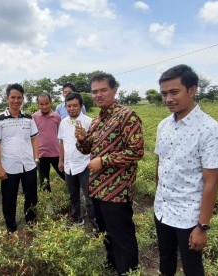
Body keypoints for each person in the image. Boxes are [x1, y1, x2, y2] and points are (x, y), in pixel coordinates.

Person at [154, 64, 218, 275]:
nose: (168, 99)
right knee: (165, 259)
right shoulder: (163, 125)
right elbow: (161, 163)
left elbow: (211, 181)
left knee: (192, 267)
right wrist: (159, 199)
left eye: (174, 92)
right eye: (164, 93)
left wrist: (202, 226)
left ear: (192, 90)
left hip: (189, 217)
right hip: (162, 210)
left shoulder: (210, 130)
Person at [76, 73, 144, 275]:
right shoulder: (97, 121)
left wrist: (104, 161)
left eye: (103, 90)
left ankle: (128, 270)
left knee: (121, 234)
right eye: (94, 91)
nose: (98, 95)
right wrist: (82, 139)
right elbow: (88, 149)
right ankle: (113, 264)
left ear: (114, 90)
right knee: (105, 232)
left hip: (117, 190)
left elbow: (136, 151)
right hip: (97, 188)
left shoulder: (127, 116)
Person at [0, 83, 39, 232]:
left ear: (23, 99)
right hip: (9, 167)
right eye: (13, 97)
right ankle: (11, 227)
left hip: (29, 165)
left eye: (19, 97)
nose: (16, 100)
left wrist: (36, 159)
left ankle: (31, 222)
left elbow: (35, 138)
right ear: (7, 99)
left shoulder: (29, 118)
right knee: (9, 198)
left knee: (32, 196)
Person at [58, 92, 96, 228]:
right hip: (69, 165)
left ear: (81, 106)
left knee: (89, 196)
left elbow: (93, 145)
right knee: (73, 195)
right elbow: (62, 142)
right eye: (69, 106)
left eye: (75, 105)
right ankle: (77, 219)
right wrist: (60, 160)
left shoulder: (89, 122)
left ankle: (95, 223)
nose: (71, 108)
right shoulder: (63, 122)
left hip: (85, 164)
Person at [32, 92, 64, 192]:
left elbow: (61, 136)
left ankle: (74, 197)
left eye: (46, 103)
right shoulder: (34, 117)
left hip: (56, 153)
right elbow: (32, 137)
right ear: (38, 104)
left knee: (66, 176)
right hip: (41, 155)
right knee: (44, 182)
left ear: (51, 103)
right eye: (41, 104)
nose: (44, 106)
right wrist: (34, 155)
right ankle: (48, 206)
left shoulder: (57, 117)